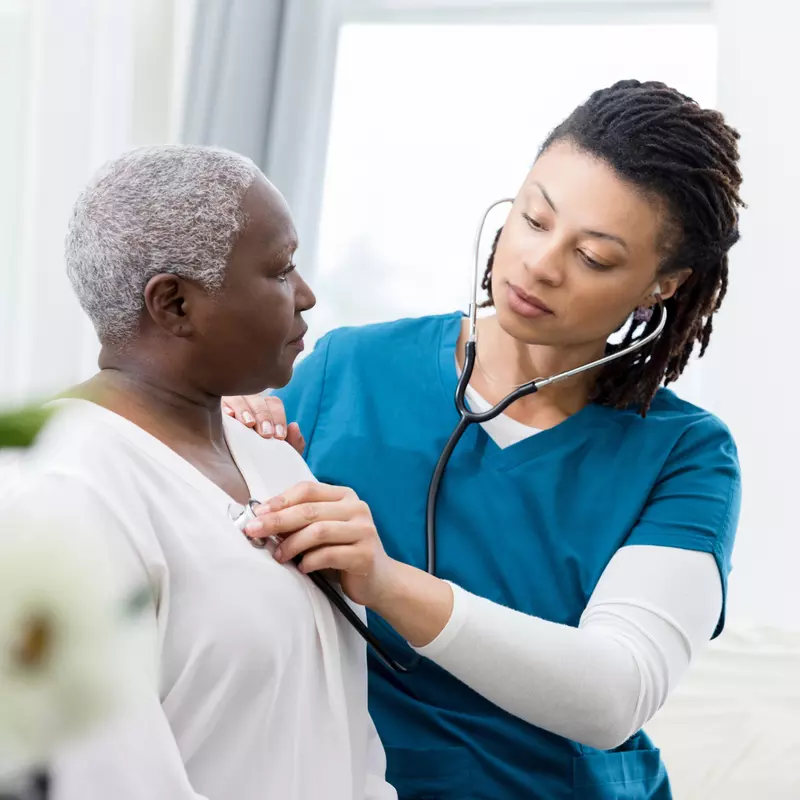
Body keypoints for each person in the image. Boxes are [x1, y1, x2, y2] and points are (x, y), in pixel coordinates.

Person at [223, 80, 744, 799]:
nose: (539, 264)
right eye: (534, 219)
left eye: (593, 256)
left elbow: (613, 696)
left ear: (662, 285)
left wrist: (386, 582)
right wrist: (223, 432)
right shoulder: (349, 368)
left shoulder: (685, 454)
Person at [1, 145, 396, 800]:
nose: (306, 295)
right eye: (280, 270)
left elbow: (341, 738)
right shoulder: (63, 493)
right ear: (175, 305)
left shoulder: (274, 458)